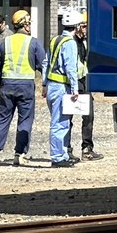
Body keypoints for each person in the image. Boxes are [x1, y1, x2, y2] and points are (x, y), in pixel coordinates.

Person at [0, 9, 47, 166]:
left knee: (2, 119)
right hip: (26, 85)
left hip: (7, 85)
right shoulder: (33, 42)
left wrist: (0, 82)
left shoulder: (4, 43)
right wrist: (45, 84)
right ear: (26, 25)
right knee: (25, 120)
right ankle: (19, 154)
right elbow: (43, 65)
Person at [43, 15, 81, 168]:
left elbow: (46, 63)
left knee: (60, 121)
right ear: (76, 26)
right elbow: (70, 67)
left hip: (51, 85)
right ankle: (58, 157)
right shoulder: (70, 43)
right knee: (60, 123)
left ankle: (63, 154)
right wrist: (75, 88)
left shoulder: (55, 40)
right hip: (61, 87)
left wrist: (44, 84)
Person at [67, 10, 103, 160]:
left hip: (83, 82)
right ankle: (66, 149)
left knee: (88, 116)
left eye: (87, 26)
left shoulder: (86, 41)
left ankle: (87, 148)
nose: (85, 29)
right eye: (83, 26)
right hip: (71, 83)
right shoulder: (70, 42)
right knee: (66, 118)